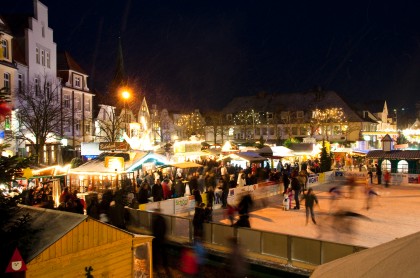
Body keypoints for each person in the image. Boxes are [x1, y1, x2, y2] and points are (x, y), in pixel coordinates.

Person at [151, 209, 170, 276]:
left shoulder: (156, 220)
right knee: (162, 253)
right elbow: (164, 229)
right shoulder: (162, 219)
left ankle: (155, 265)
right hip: (161, 239)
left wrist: (155, 236)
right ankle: (165, 265)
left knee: (155, 253)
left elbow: (155, 230)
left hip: (157, 239)